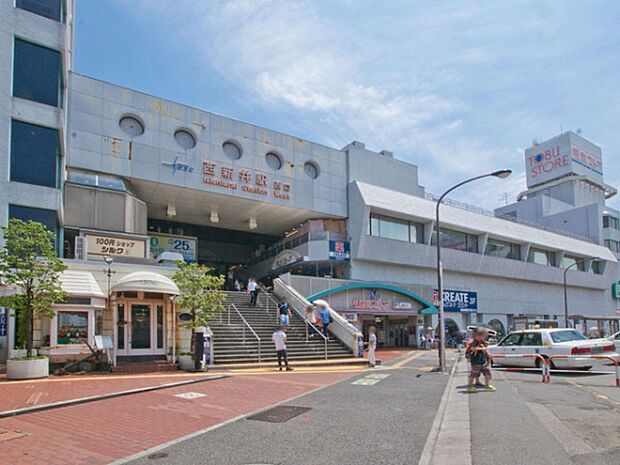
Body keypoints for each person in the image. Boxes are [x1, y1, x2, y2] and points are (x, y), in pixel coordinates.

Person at [466, 327, 495, 392]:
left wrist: (488, 355)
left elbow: (485, 350)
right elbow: (473, 348)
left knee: (487, 372)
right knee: (473, 374)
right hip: (476, 361)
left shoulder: (482, 341)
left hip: (482, 360)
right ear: (476, 335)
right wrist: (482, 349)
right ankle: (470, 386)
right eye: (482, 335)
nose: (483, 337)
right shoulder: (474, 342)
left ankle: (487, 385)